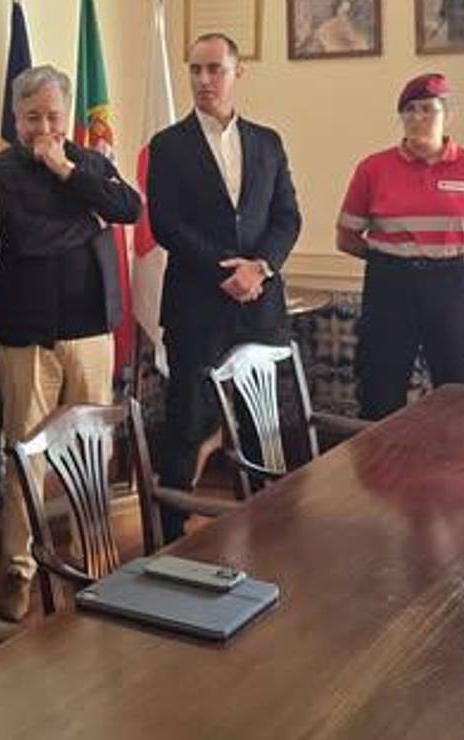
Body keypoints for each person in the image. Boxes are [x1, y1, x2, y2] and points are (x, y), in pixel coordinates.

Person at [0, 64, 141, 621]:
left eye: (53, 116)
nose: (43, 128)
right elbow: (26, 239)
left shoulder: (89, 163)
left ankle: (90, 553)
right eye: (32, 118)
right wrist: (92, 221)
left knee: (90, 452)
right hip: (24, 335)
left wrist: (66, 170)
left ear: (67, 115)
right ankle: (19, 569)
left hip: (91, 328)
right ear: (15, 118)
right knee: (24, 457)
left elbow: (130, 209)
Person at [147, 32, 301, 543]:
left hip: (259, 304)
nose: (204, 79)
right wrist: (227, 272)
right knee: (185, 423)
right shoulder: (168, 145)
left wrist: (259, 267)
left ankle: (266, 531)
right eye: (195, 69)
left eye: (215, 69)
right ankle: (169, 539)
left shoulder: (268, 142)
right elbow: (166, 224)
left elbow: (287, 217)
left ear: (238, 72)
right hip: (196, 305)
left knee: (263, 426)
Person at [335, 73, 464, 420]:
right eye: (410, 110)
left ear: (447, 115)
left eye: (428, 109)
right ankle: (380, 455)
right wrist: (392, 257)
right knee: (380, 383)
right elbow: (347, 237)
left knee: (461, 386)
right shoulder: (373, 168)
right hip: (390, 284)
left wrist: (457, 253)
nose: (417, 117)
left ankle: (459, 454)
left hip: (452, 282)